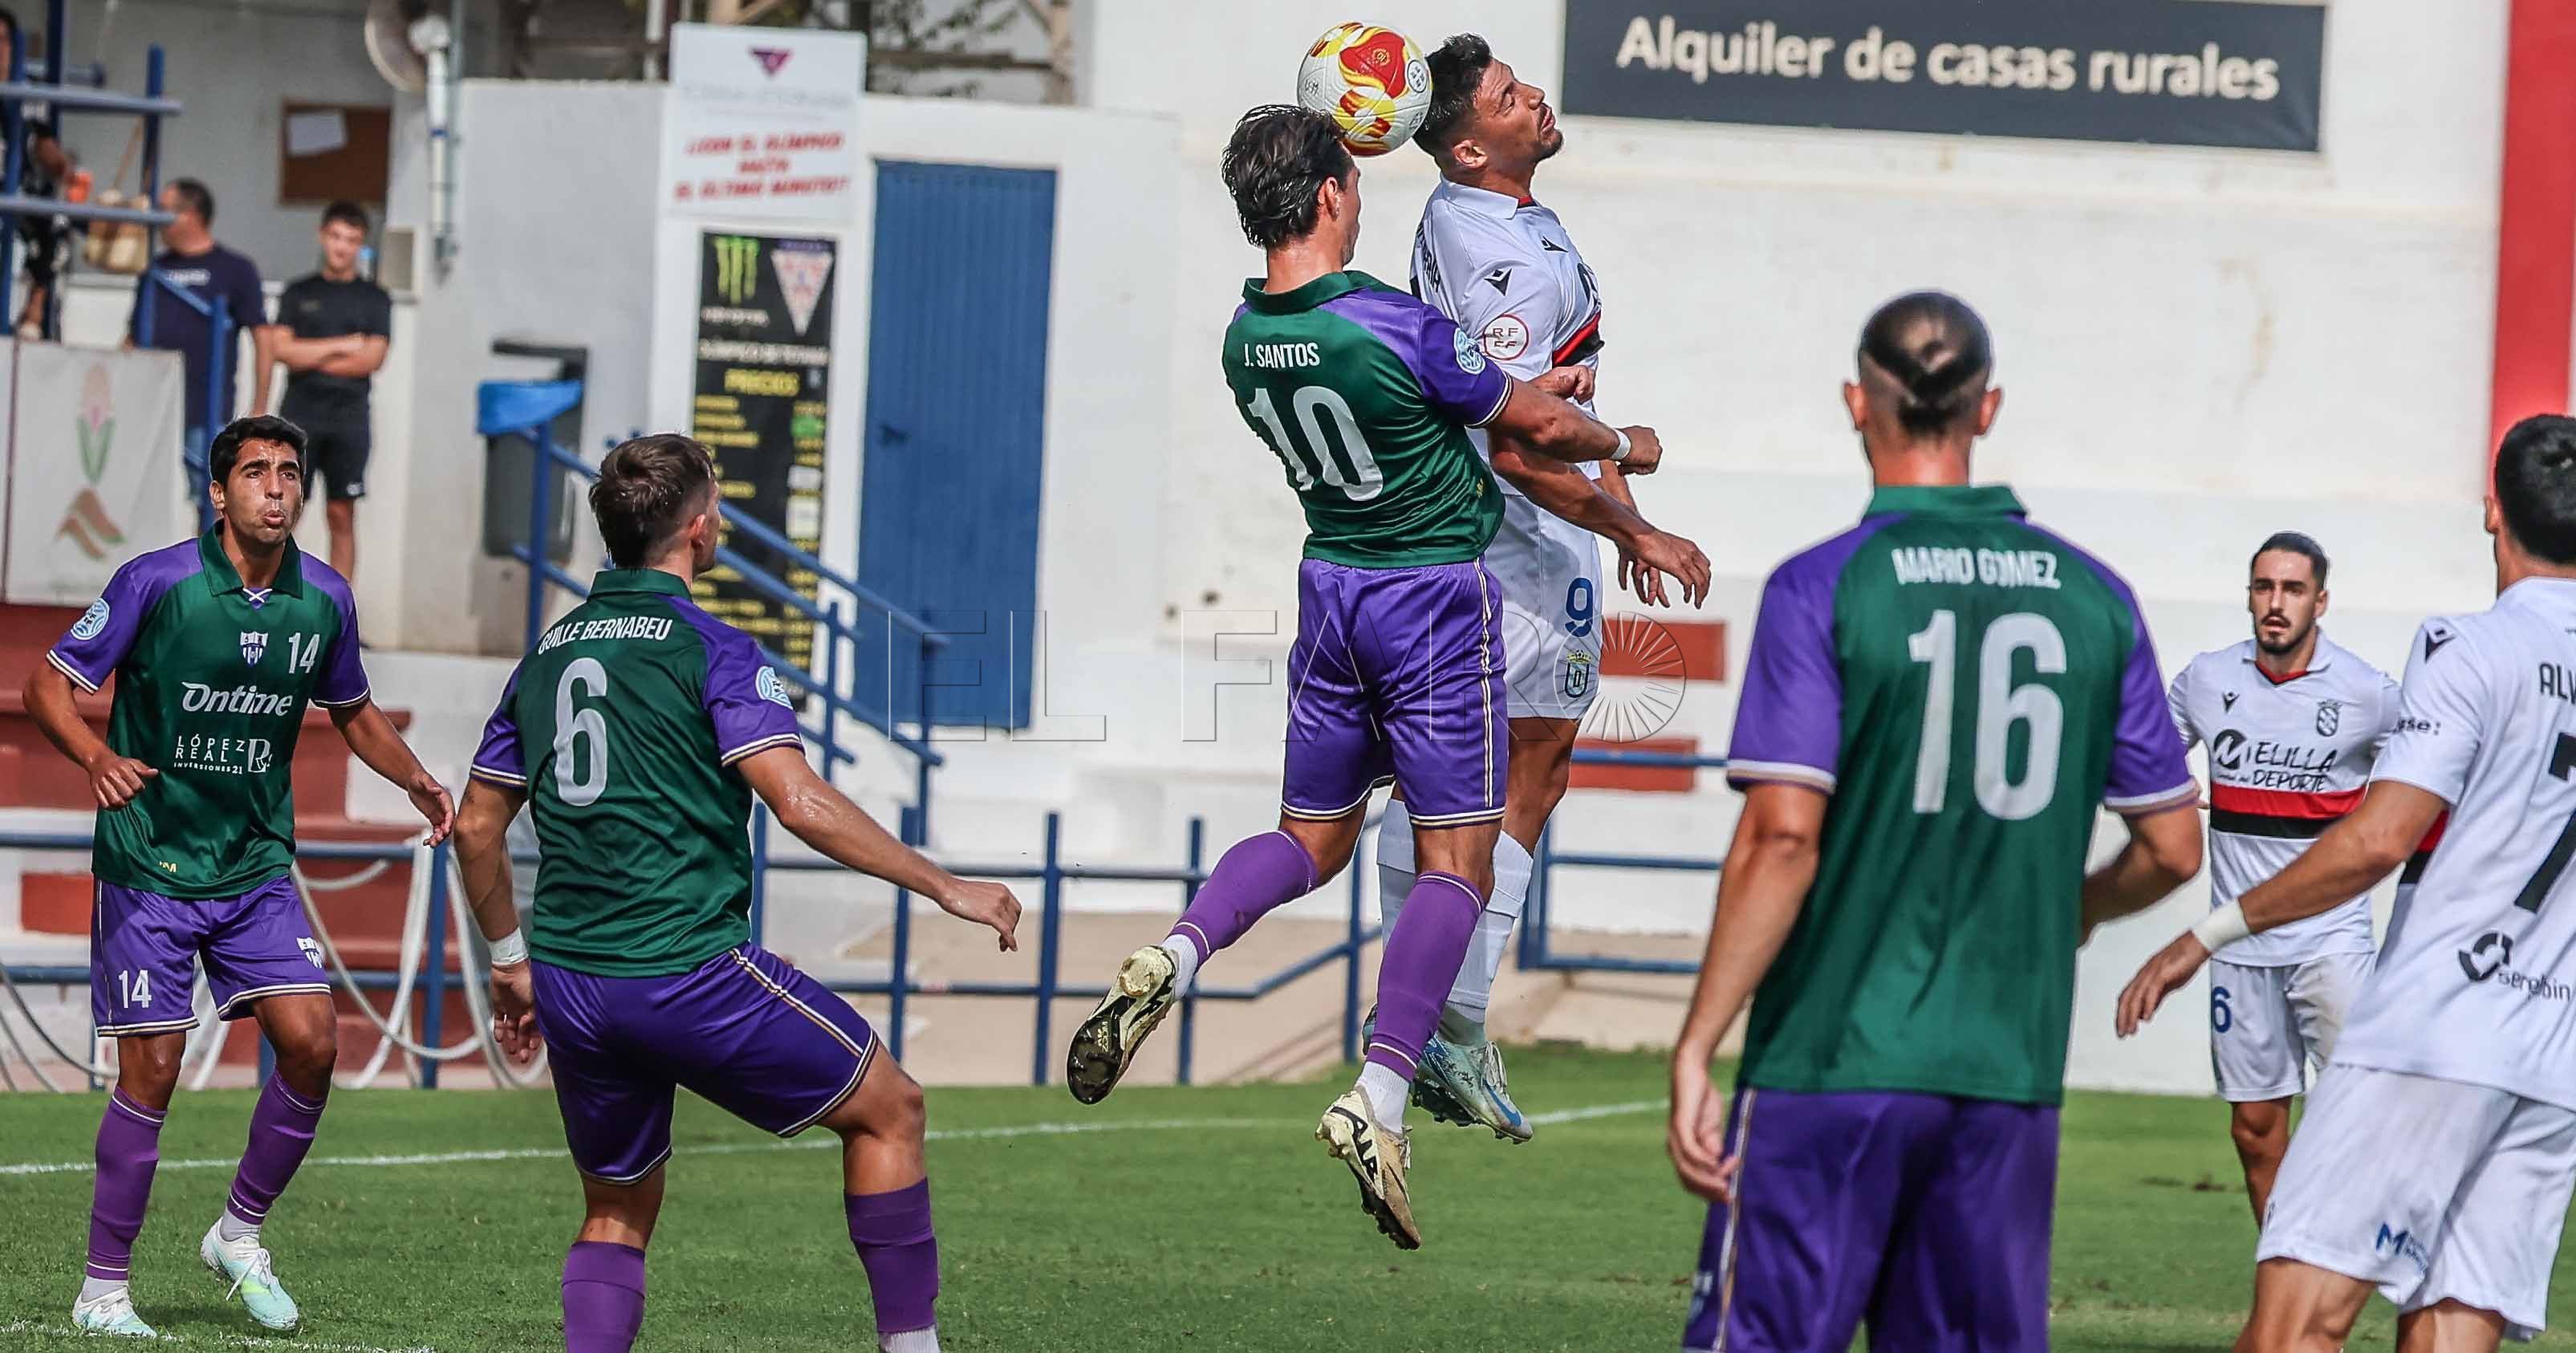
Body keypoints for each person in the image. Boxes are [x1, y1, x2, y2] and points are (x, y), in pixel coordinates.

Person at [1062, 104, 1666, 1250]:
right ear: (1336, 192)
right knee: (1458, 858)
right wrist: (1626, 445)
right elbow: (1531, 417)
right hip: (1431, 600)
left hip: (1330, 591)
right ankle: (1380, 1094)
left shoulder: (1244, 337)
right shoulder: (1394, 325)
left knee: (1308, 838)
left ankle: (1173, 949)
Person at [1665, 292, 2203, 1352]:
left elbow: (1781, 834)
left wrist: (1698, 1039)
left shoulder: (1823, 585)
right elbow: (2171, 846)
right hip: (2003, 1076)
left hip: (1831, 1060)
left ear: (1854, 402)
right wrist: (2073, 910)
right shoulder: (2095, 596)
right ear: (1986, 407)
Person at [452, 433, 1025, 1353]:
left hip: (571, 978)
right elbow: (797, 801)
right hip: (683, 970)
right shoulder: (712, 648)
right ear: (698, 526)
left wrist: (509, 963)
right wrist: (944, 885)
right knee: (891, 1108)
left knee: (617, 1205)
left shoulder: (548, 655)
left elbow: (477, 827)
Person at [2118, 413, 2576, 1352]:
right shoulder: (2214, 679)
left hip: (2438, 1029)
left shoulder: (2466, 649)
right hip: (2552, 1051)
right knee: (2454, 1328)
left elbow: (2378, 842)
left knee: (2293, 1331)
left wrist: (2201, 935)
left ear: (2493, 512)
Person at [21, 413, 454, 1338]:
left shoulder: (325, 597)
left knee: (314, 1041)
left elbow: (355, 710)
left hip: (254, 862)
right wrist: (95, 758)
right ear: (218, 494)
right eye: (255, 472)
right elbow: (45, 688)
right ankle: (102, 1293)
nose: (275, 487)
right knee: (156, 1068)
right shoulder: (158, 582)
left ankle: (238, 1233)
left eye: (289, 473)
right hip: (151, 861)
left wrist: (415, 776)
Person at [1384, 32, 1710, 1140]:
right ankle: (1441, 1021)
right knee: (1511, 766)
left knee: (1516, 763)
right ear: (1470, 148)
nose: (1536, 101)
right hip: (1511, 538)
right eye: (1511, 98)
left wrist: (1611, 486)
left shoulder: (1503, 216)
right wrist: (1633, 517)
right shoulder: (1499, 258)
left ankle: (1435, 1015)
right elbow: (1522, 443)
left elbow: (1559, 387)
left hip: (1531, 532)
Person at [2164, 531, 2400, 1223]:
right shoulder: (2208, 679)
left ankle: (2379, 1267)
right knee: (2256, 1132)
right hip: (2236, 945)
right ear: (2248, 595)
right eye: (2264, 587)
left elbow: (2430, 768)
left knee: (2362, 1118)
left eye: (2293, 590)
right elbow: (2145, 754)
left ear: (2319, 601)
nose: (2276, 603)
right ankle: (2283, 1288)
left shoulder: (2367, 693)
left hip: (2331, 940)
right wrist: (2170, 788)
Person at [126, 179, 273, 527]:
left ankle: (214, 580)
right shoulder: (154, 271)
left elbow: (263, 339)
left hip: (205, 411)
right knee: (139, 496)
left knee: (212, 502)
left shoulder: (235, 270)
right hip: (153, 408)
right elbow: (131, 340)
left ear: (189, 215)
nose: (156, 220)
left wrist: (259, 407)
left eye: (164, 211)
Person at [266, 201, 392, 583]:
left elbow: (371, 359)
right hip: (299, 418)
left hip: (348, 419)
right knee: (286, 512)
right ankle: (273, 603)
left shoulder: (374, 298)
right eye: (336, 237)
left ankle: (340, 614)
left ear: (361, 244)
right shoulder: (298, 292)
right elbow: (283, 350)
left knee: (341, 513)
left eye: (351, 240)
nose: (342, 247)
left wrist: (313, 353)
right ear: (322, 237)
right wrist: (343, 345)